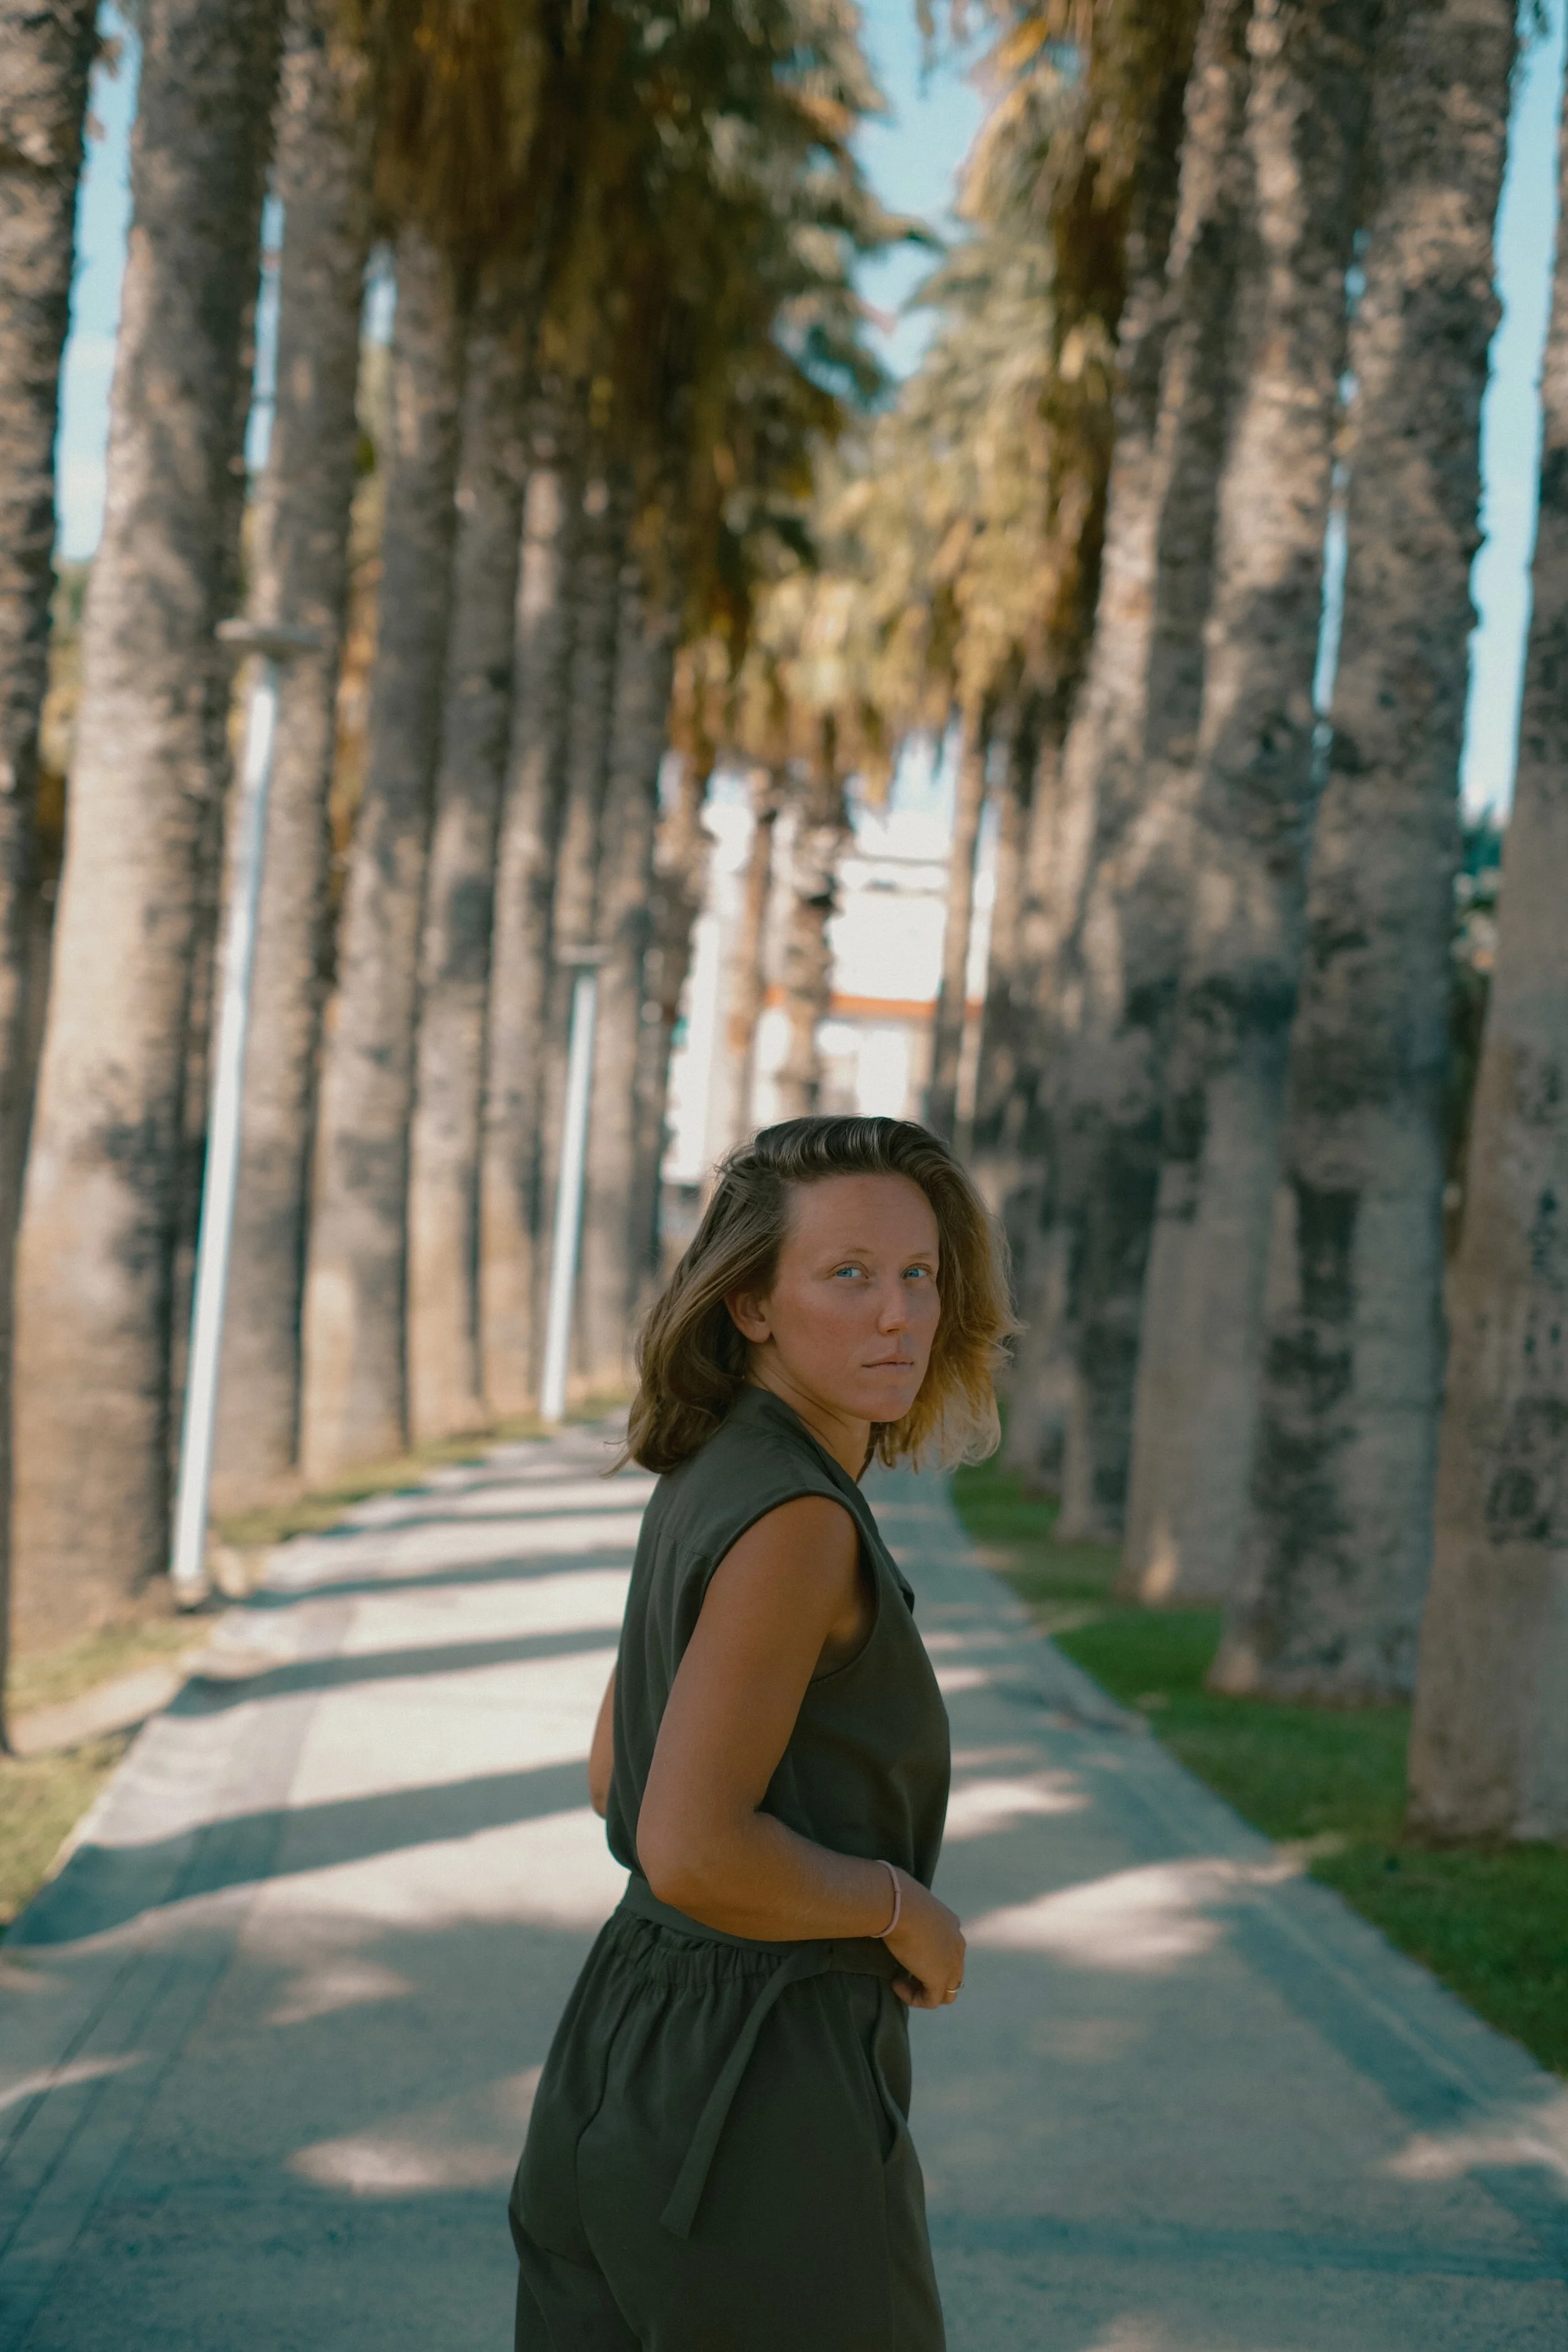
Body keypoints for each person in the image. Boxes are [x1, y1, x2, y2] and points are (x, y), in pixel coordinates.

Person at [509, 1114, 1014, 2352]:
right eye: (845, 1275)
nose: (896, 1314)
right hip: (760, 2088)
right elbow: (688, 1843)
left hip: (620, 2045)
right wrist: (906, 1908)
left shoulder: (714, 1468)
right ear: (750, 1304)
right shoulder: (797, 1518)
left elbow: (611, 1771)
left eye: (918, 1274)